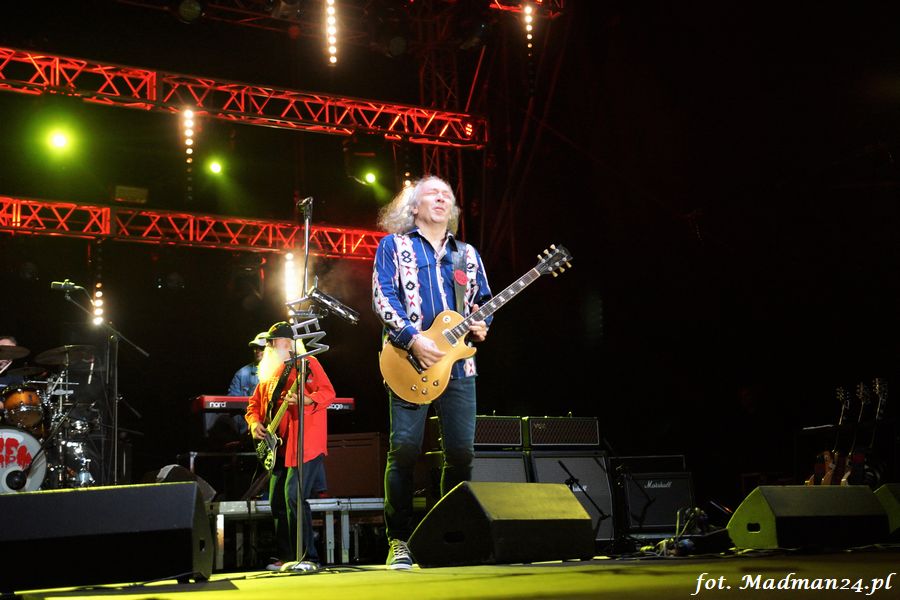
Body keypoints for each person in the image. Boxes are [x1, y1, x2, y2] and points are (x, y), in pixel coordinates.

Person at [372, 175, 492, 569]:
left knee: (461, 453)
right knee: (405, 449)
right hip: (407, 361)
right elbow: (382, 297)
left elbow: (482, 302)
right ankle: (400, 540)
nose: (442, 198)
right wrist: (412, 340)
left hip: (459, 367)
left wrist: (482, 324)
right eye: (432, 194)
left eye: (447, 195)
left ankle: (447, 534)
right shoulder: (394, 246)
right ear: (414, 206)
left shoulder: (467, 255)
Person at [245, 321, 335, 571]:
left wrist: (307, 399)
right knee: (277, 501)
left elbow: (328, 393)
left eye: (272, 342)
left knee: (293, 497)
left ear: (286, 343)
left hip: (305, 445)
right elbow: (253, 405)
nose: (269, 347)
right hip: (279, 449)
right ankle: (287, 556)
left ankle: (308, 557)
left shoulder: (308, 363)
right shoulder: (270, 373)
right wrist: (254, 424)